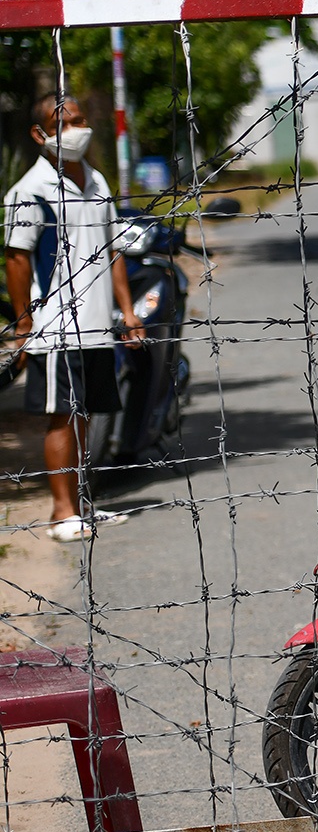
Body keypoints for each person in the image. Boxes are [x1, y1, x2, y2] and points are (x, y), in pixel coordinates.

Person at [3, 94, 143, 543]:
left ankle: (81, 504)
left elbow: (112, 249)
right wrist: (25, 325)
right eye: (62, 124)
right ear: (39, 134)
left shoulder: (96, 180)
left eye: (79, 121)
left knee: (85, 416)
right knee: (62, 416)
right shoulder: (30, 191)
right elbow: (17, 259)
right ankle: (62, 512)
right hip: (56, 327)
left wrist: (127, 312)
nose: (75, 130)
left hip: (98, 325)